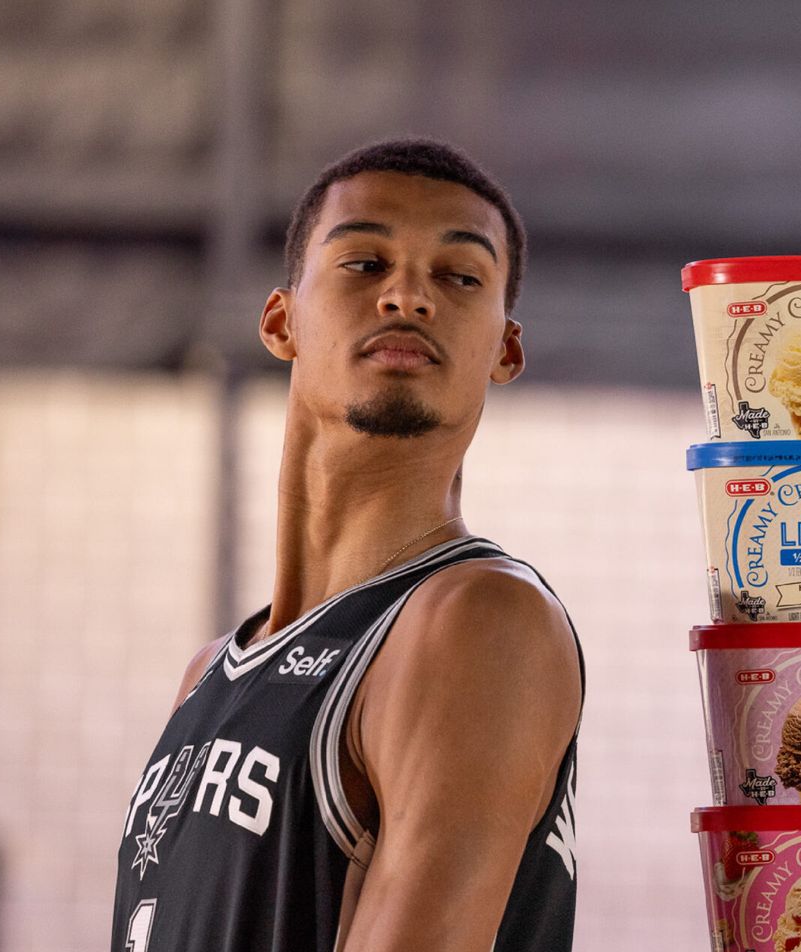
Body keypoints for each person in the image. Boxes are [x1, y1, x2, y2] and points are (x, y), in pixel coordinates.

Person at [112, 138, 584, 951]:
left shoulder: (477, 621)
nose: (408, 296)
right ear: (281, 321)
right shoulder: (209, 675)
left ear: (505, 349)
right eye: (365, 264)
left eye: (459, 276)